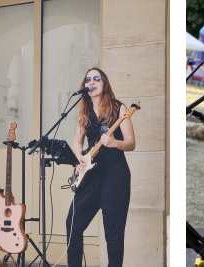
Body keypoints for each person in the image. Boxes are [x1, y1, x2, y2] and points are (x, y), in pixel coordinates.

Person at [67, 68, 135, 267]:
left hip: (115, 175)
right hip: (91, 175)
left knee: (113, 232)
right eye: (88, 79)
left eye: (97, 78)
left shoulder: (119, 108)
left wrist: (115, 143)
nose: (92, 82)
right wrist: (79, 157)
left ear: (105, 83)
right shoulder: (84, 112)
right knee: (73, 224)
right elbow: (77, 142)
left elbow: (131, 143)